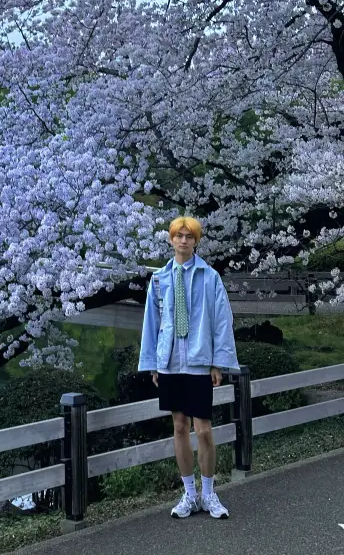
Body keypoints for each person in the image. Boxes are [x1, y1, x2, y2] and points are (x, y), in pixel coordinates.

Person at [138, 216, 239, 519]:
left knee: (203, 429)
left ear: (196, 241)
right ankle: (189, 494)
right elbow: (152, 324)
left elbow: (221, 321)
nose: (183, 241)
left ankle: (209, 493)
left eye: (189, 236)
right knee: (179, 427)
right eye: (178, 236)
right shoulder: (159, 280)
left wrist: (217, 362)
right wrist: (153, 363)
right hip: (170, 363)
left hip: (198, 362)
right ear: (171, 240)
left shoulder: (209, 277)